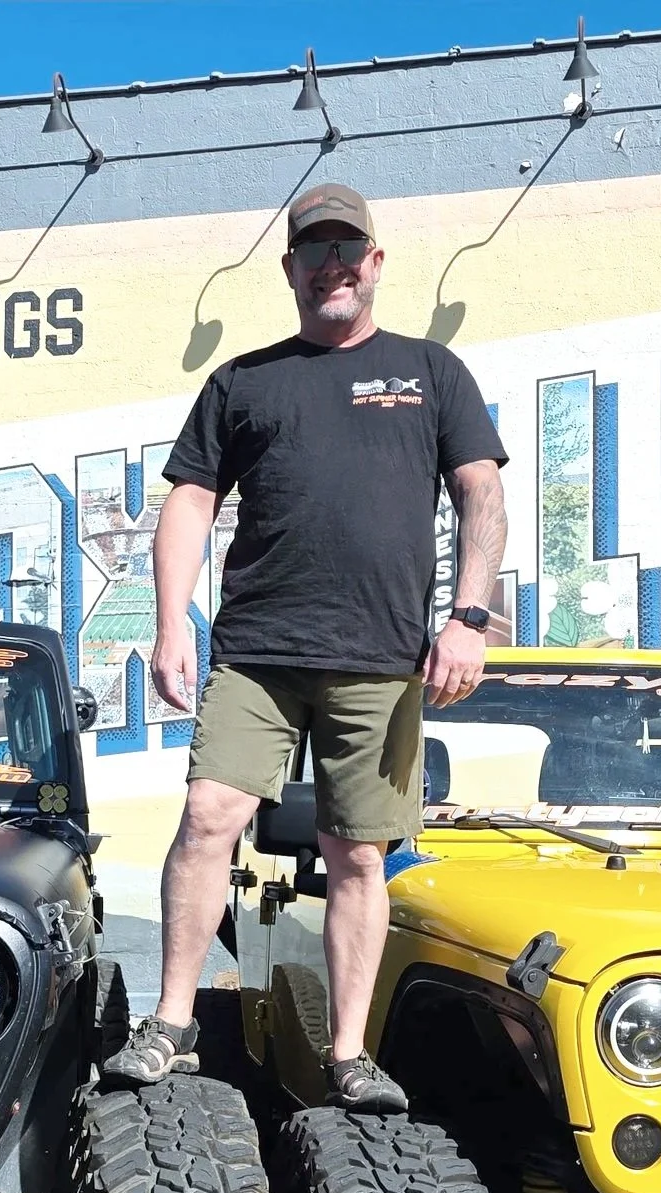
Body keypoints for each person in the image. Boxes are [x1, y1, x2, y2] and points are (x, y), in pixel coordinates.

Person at [102, 182, 509, 1111]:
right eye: (312, 250)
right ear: (289, 268)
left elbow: (480, 495)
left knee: (358, 852)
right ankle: (170, 1023)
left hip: (380, 656)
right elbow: (190, 501)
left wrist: (467, 616)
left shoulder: (430, 371)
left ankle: (350, 1054)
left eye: (347, 248)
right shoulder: (245, 381)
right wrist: (172, 623)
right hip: (258, 653)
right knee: (210, 815)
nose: (332, 263)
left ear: (373, 263)